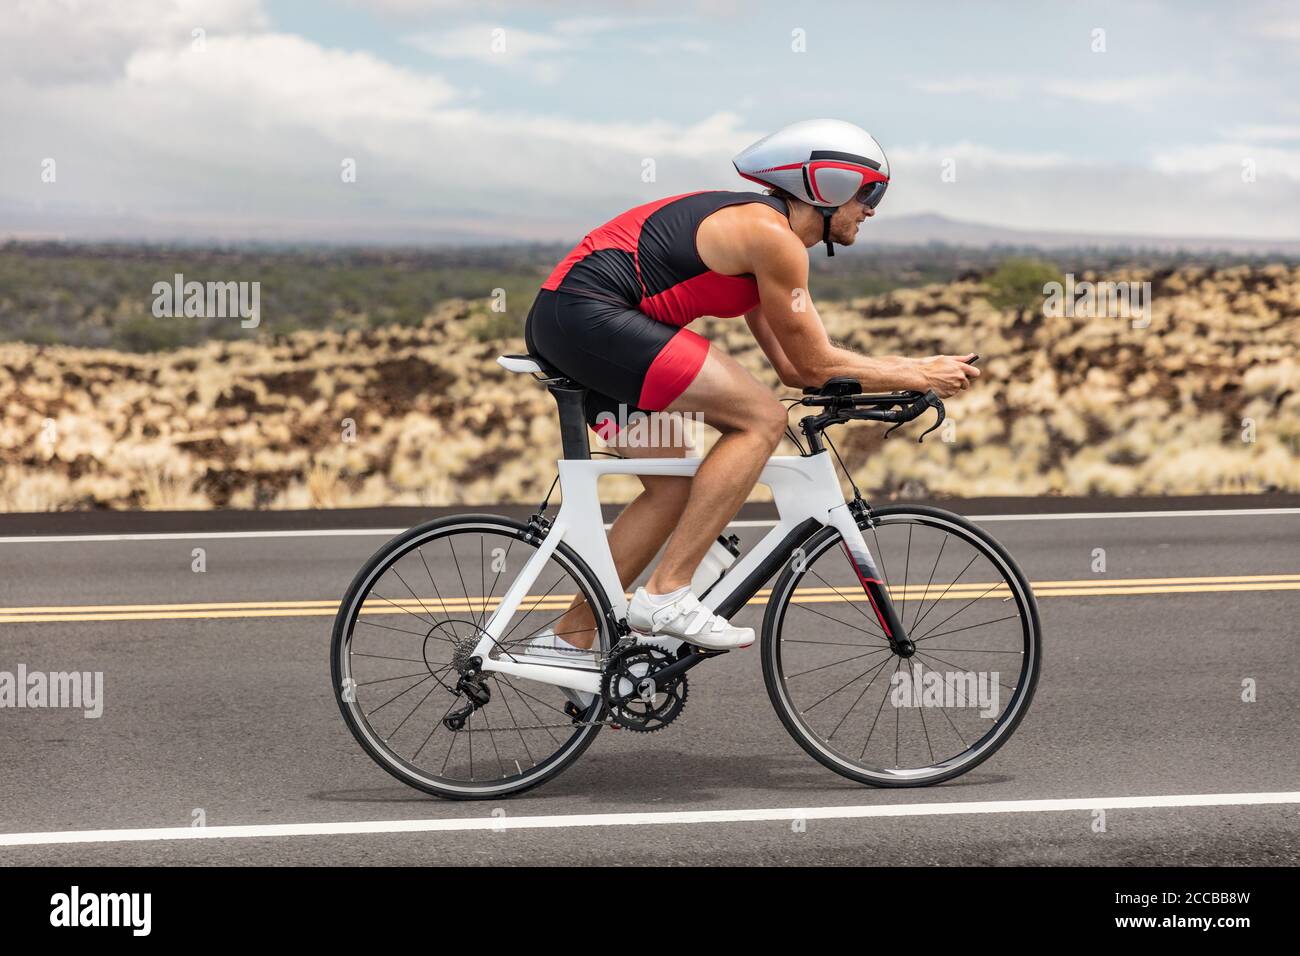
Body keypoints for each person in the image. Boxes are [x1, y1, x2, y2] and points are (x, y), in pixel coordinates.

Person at [523, 119, 978, 661]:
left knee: (670, 487)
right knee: (760, 420)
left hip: (568, 324)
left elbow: (794, 368)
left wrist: (873, 390)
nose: (872, 208)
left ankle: (568, 640)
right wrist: (920, 373)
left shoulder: (763, 237)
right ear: (826, 187)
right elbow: (815, 362)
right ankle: (668, 593)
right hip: (592, 319)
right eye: (868, 191)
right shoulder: (773, 239)